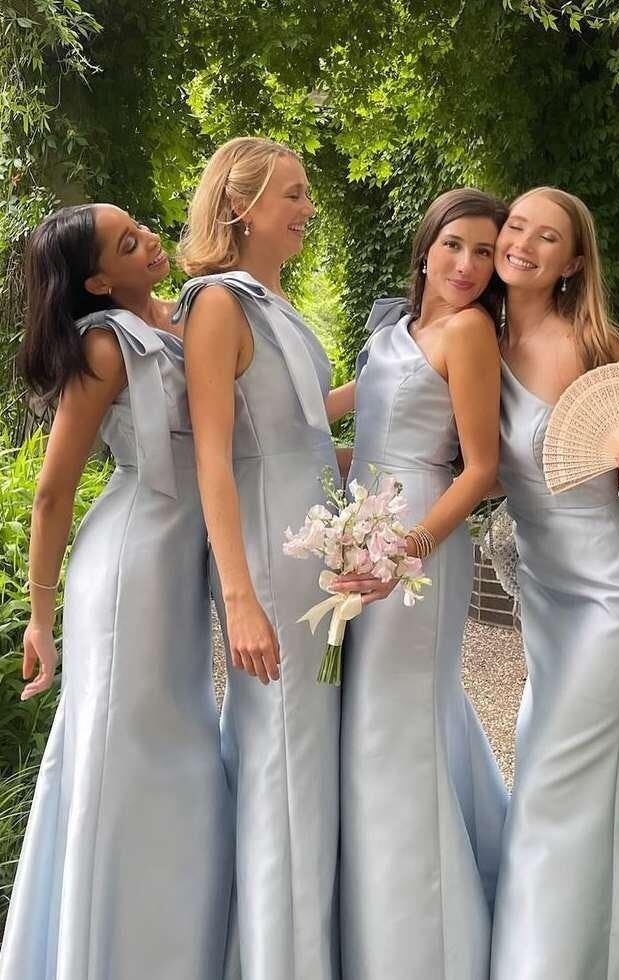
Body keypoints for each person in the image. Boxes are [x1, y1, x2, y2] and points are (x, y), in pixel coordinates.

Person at [0, 204, 235, 980]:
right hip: (131, 563)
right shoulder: (105, 344)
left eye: (141, 228)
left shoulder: (191, 313)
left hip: (182, 560)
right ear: (98, 281)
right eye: (128, 244)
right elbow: (51, 493)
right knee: (125, 753)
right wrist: (41, 619)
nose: (151, 241)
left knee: (182, 748)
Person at [173, 136, 352, 980]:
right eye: (293, 193)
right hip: (270, 564)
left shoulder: (275, 303)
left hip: (314, 549)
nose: (308, 208)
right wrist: (239, 597)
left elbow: (306, 430)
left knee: (303, 759)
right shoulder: (217, 304)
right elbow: (213, 456)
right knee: (283, 755)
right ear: (240, 207)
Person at [332, 189, 509, 979]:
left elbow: (480, 467)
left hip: (418, 550)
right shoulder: (391, 332)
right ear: (426, 246)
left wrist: (402, 551)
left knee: (394, 725)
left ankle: (421, 946)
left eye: (484, 252)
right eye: (454, 245)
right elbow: (326, 423)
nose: (466, 265)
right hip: (360, 530)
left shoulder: (469, 333)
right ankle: (369, 922)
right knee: (369, 721)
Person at [490, 186, 619, 980]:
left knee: (555, 778)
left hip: (614, 592)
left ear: (571, 262)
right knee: (574, 770)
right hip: (546, 594)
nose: (522, 243)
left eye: (545, 236)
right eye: (515, 226)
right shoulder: (476, 341)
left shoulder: (593, 344)